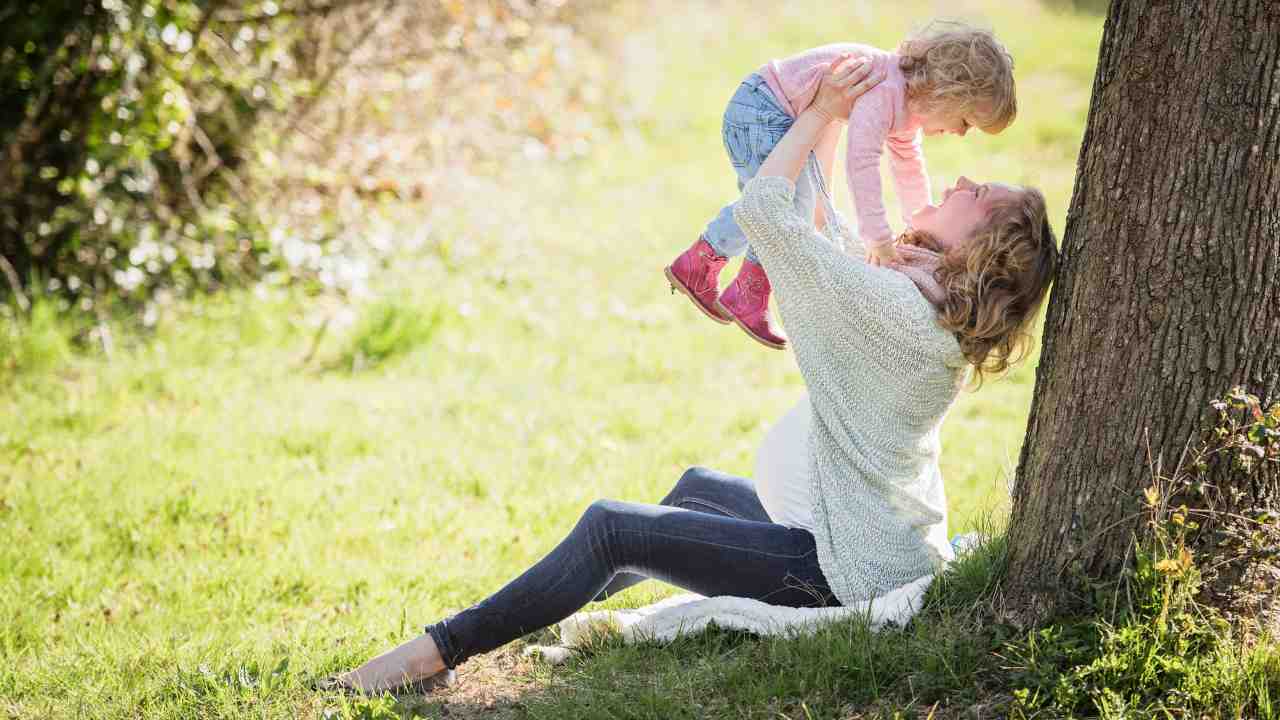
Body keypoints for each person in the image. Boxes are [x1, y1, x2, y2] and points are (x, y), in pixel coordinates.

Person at [325, 55, 1057, 694]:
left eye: (981, 194)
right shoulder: (922, 306)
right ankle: (526, 610)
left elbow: (768, 212)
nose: (963, 177)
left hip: (842, 568)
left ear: (982, 249)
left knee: (614, 528)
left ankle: (436, 651)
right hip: (863, 534)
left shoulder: (895, 311)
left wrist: (822, 114)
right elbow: (831, 238)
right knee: (695, 492)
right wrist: (832, 122)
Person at [665, 20, 1017, 350]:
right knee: (781, 205)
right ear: (948, 93)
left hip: (771, 110)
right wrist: (877, 237)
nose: (959, 133)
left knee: (781, 205)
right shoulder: (885, 90)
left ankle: (704, 265)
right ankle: (744, 290)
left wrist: (920, 218)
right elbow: (861, 162)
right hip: (761, 110)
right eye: (966, 122)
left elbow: (908, 167)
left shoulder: (906, 106)